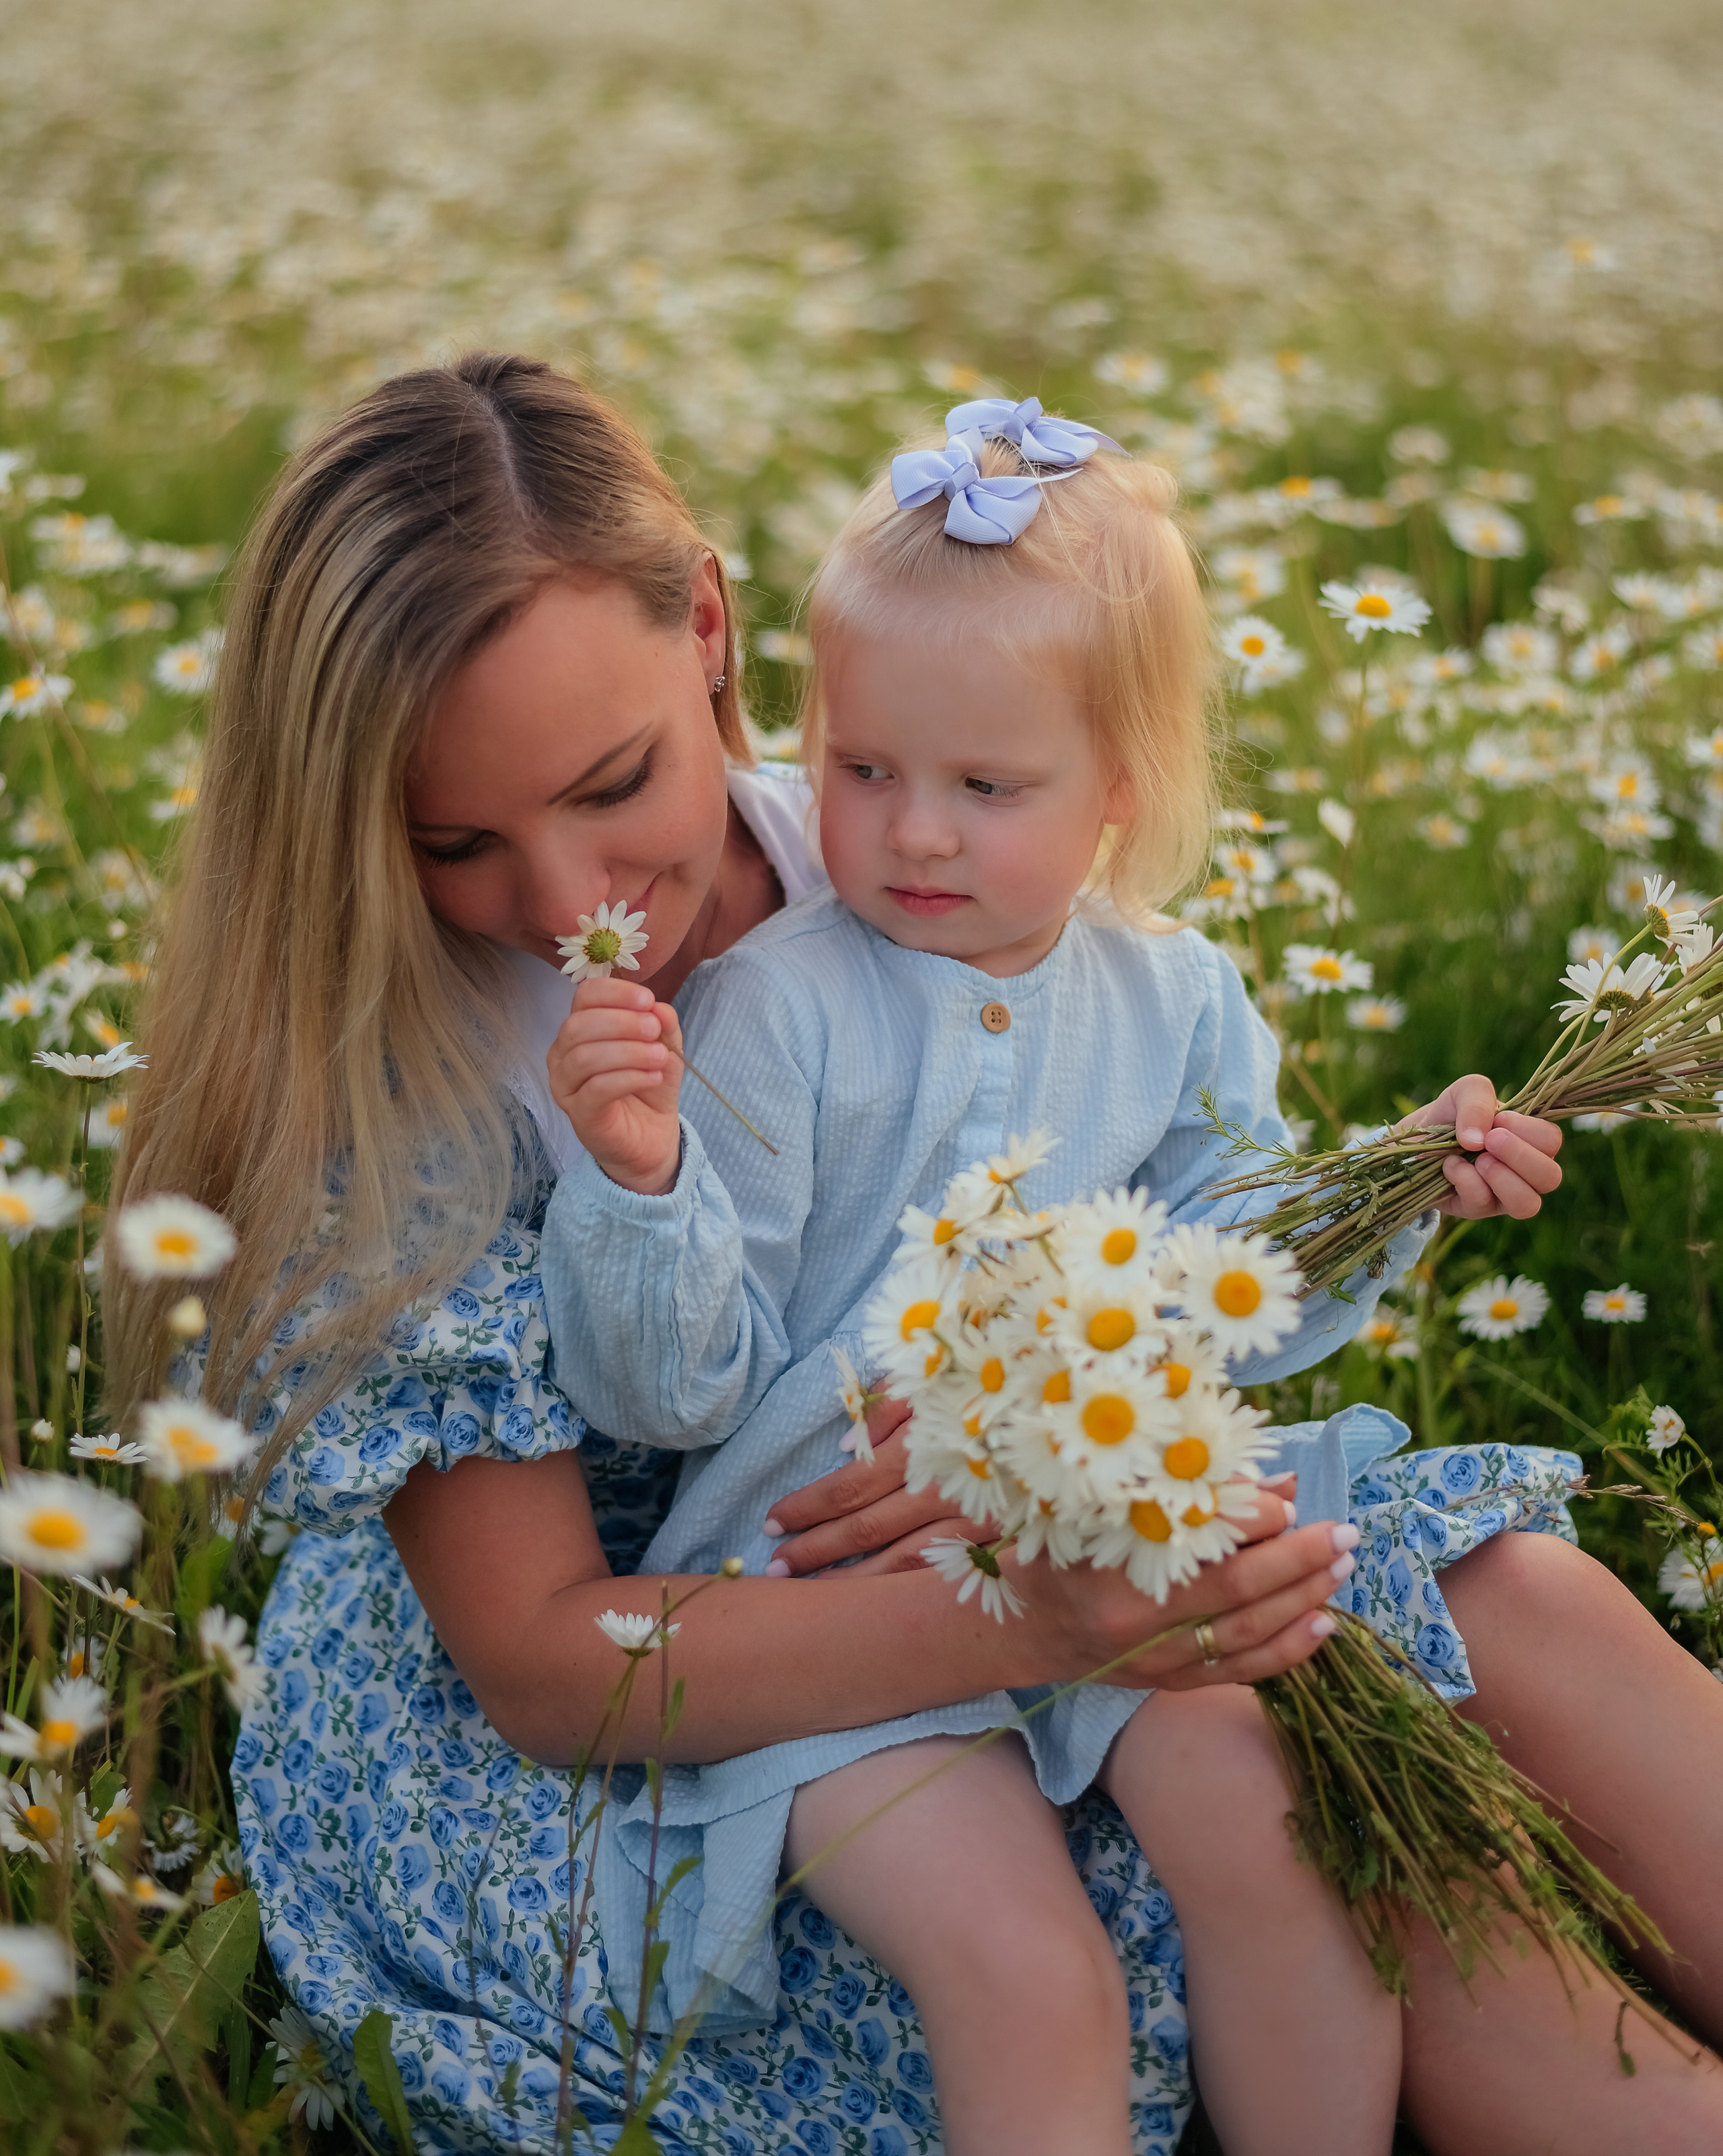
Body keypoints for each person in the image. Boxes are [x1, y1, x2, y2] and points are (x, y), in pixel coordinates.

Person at [106, 355, 1723, 2156]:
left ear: (714, 631)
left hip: (1028, 1535)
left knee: (1523, 1610)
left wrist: (1310, 1251)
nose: (577, 911)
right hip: (685, 1694)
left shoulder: (901, 842)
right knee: (1339, 1867)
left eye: (619, 781)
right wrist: (1032, 1605)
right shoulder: (406, 1095)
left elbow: (1158, 1241)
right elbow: (559, 1671)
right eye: (456, 845)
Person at [535, 402, 1555, 2155]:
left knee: (1267, 1813)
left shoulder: (1175, 1003)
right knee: (1029, 1973)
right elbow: (672, 1391)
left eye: (987, 789)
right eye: (862, 770)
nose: (914, 834)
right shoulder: (776, 1011)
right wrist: (640, 1190)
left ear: (1119, 799)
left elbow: (1246, 1290)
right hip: (832, 1605)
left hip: (1093, 1552)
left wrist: (1398, 1187)